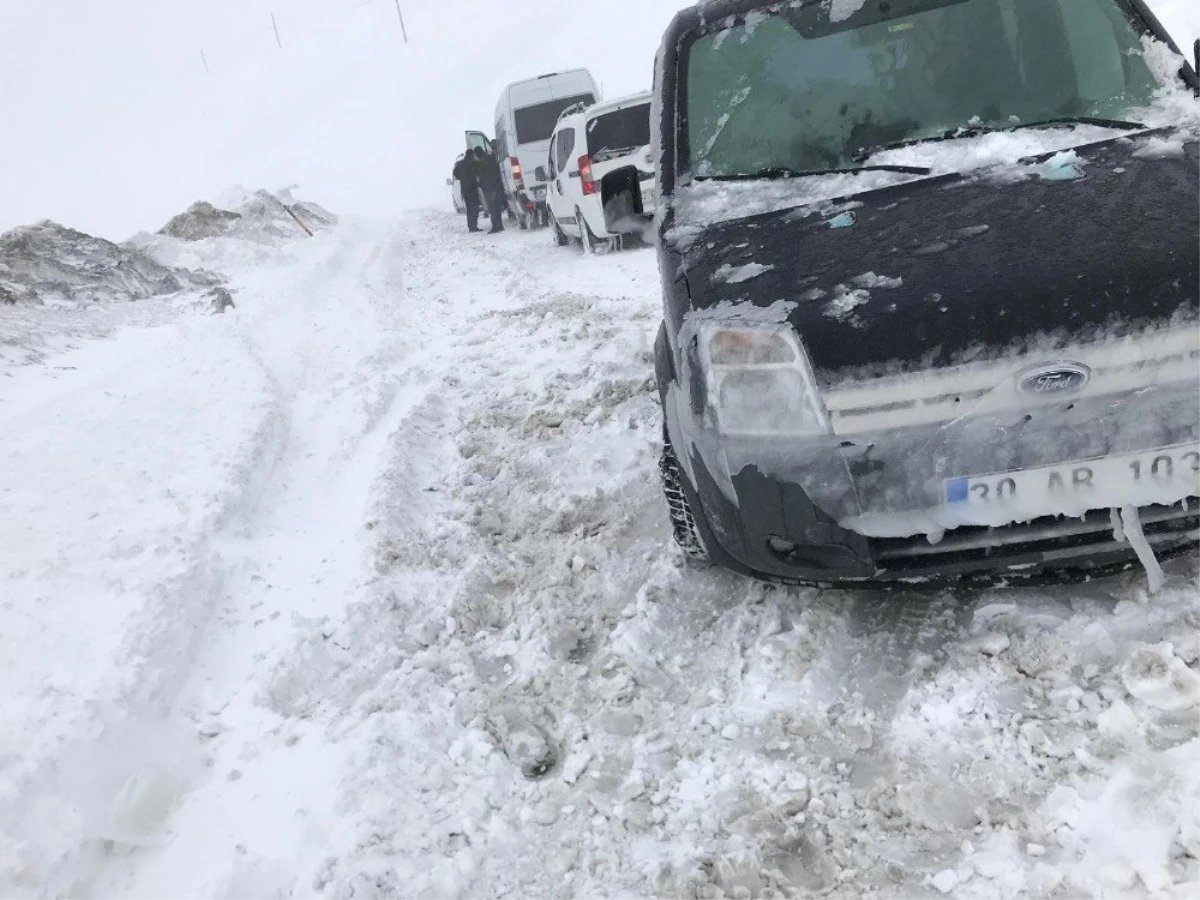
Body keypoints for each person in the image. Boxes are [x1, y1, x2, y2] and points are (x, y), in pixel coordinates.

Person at [473, 147, 507, 234]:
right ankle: (500, 225)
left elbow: (478, 176)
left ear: (477, 154)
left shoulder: (479, 163)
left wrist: (480, 185)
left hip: (488, 188)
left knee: (492, 208)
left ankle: (495, 226)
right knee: (496, 207)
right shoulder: (491, 159)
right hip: (496, 186)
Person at [453, 153, 483, 233]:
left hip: (465, 190)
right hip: (472, 188)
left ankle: (471, 226)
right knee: (475, 208)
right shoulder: (472, 163)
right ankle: (474, 226)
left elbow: (455, 174)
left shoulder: (460, 164)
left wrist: (462, 178)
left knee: (469, 209)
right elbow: (478, 172)